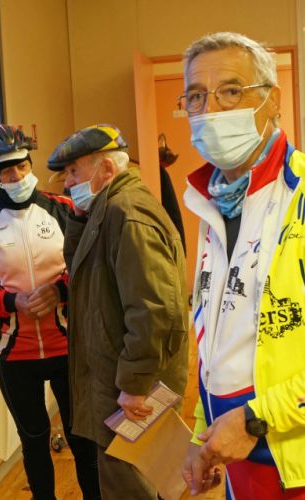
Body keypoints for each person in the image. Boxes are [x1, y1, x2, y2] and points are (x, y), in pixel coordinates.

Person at [179, 32, 305, 499]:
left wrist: (255, 419)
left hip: (292, 458)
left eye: (231, 91)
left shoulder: (298, 198)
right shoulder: (212, 203)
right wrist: (202, 430)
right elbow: (218, 336)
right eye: (196, 96)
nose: (210, 110)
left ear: (273, 101)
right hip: (238, 454)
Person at [0, 124, 100, 500]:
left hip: (69, 347)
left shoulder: (64, 209)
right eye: (6, 170)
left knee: (83, 439)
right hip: (13, 353)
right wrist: (9, 302)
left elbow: (93, 266)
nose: (17, 175)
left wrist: (60, 290)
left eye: (22, 165)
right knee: (33, 440)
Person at [47, 124, 189, 499]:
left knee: (130, 483)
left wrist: (135, 384)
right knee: (125, 479)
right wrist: (78, 217)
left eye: (73, 172)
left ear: (107, 169)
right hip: (116, 378)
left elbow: (153, 309)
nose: (67, 183)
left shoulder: (127, 213)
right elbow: (82, 271)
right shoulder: (107, 209)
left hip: (128, 387)